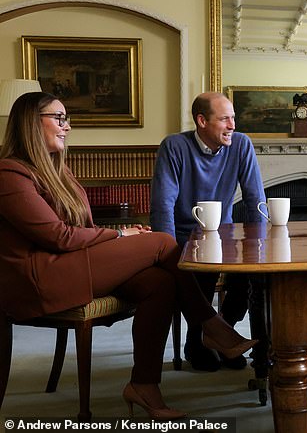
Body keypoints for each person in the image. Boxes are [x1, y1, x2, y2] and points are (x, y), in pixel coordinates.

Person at [0, 92, 257, 420]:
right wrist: (120, 235)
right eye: (59, 118)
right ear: (30, 124)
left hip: (67, 267)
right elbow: (58, 236)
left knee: (160, 282)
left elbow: (79, 228)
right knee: (163, 243)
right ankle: (212, 326)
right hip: (40, 279)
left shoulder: (57, 173)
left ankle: (144, 385)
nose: (68, 126)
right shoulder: (9, 174)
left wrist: (119, 241)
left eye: (67, 119)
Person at [151, 92, 266, 371]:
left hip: (222, 233)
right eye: (224, 119)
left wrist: (262, 246)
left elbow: (255, 197)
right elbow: (162, 204)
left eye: (233, 118)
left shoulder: (241, 145)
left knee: (251, 274)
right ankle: (198, 341)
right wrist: (169, 252)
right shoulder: (175, 146)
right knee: (202, 266)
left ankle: (220, 331)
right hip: (181, 234)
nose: (233, 125)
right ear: (201, 121)